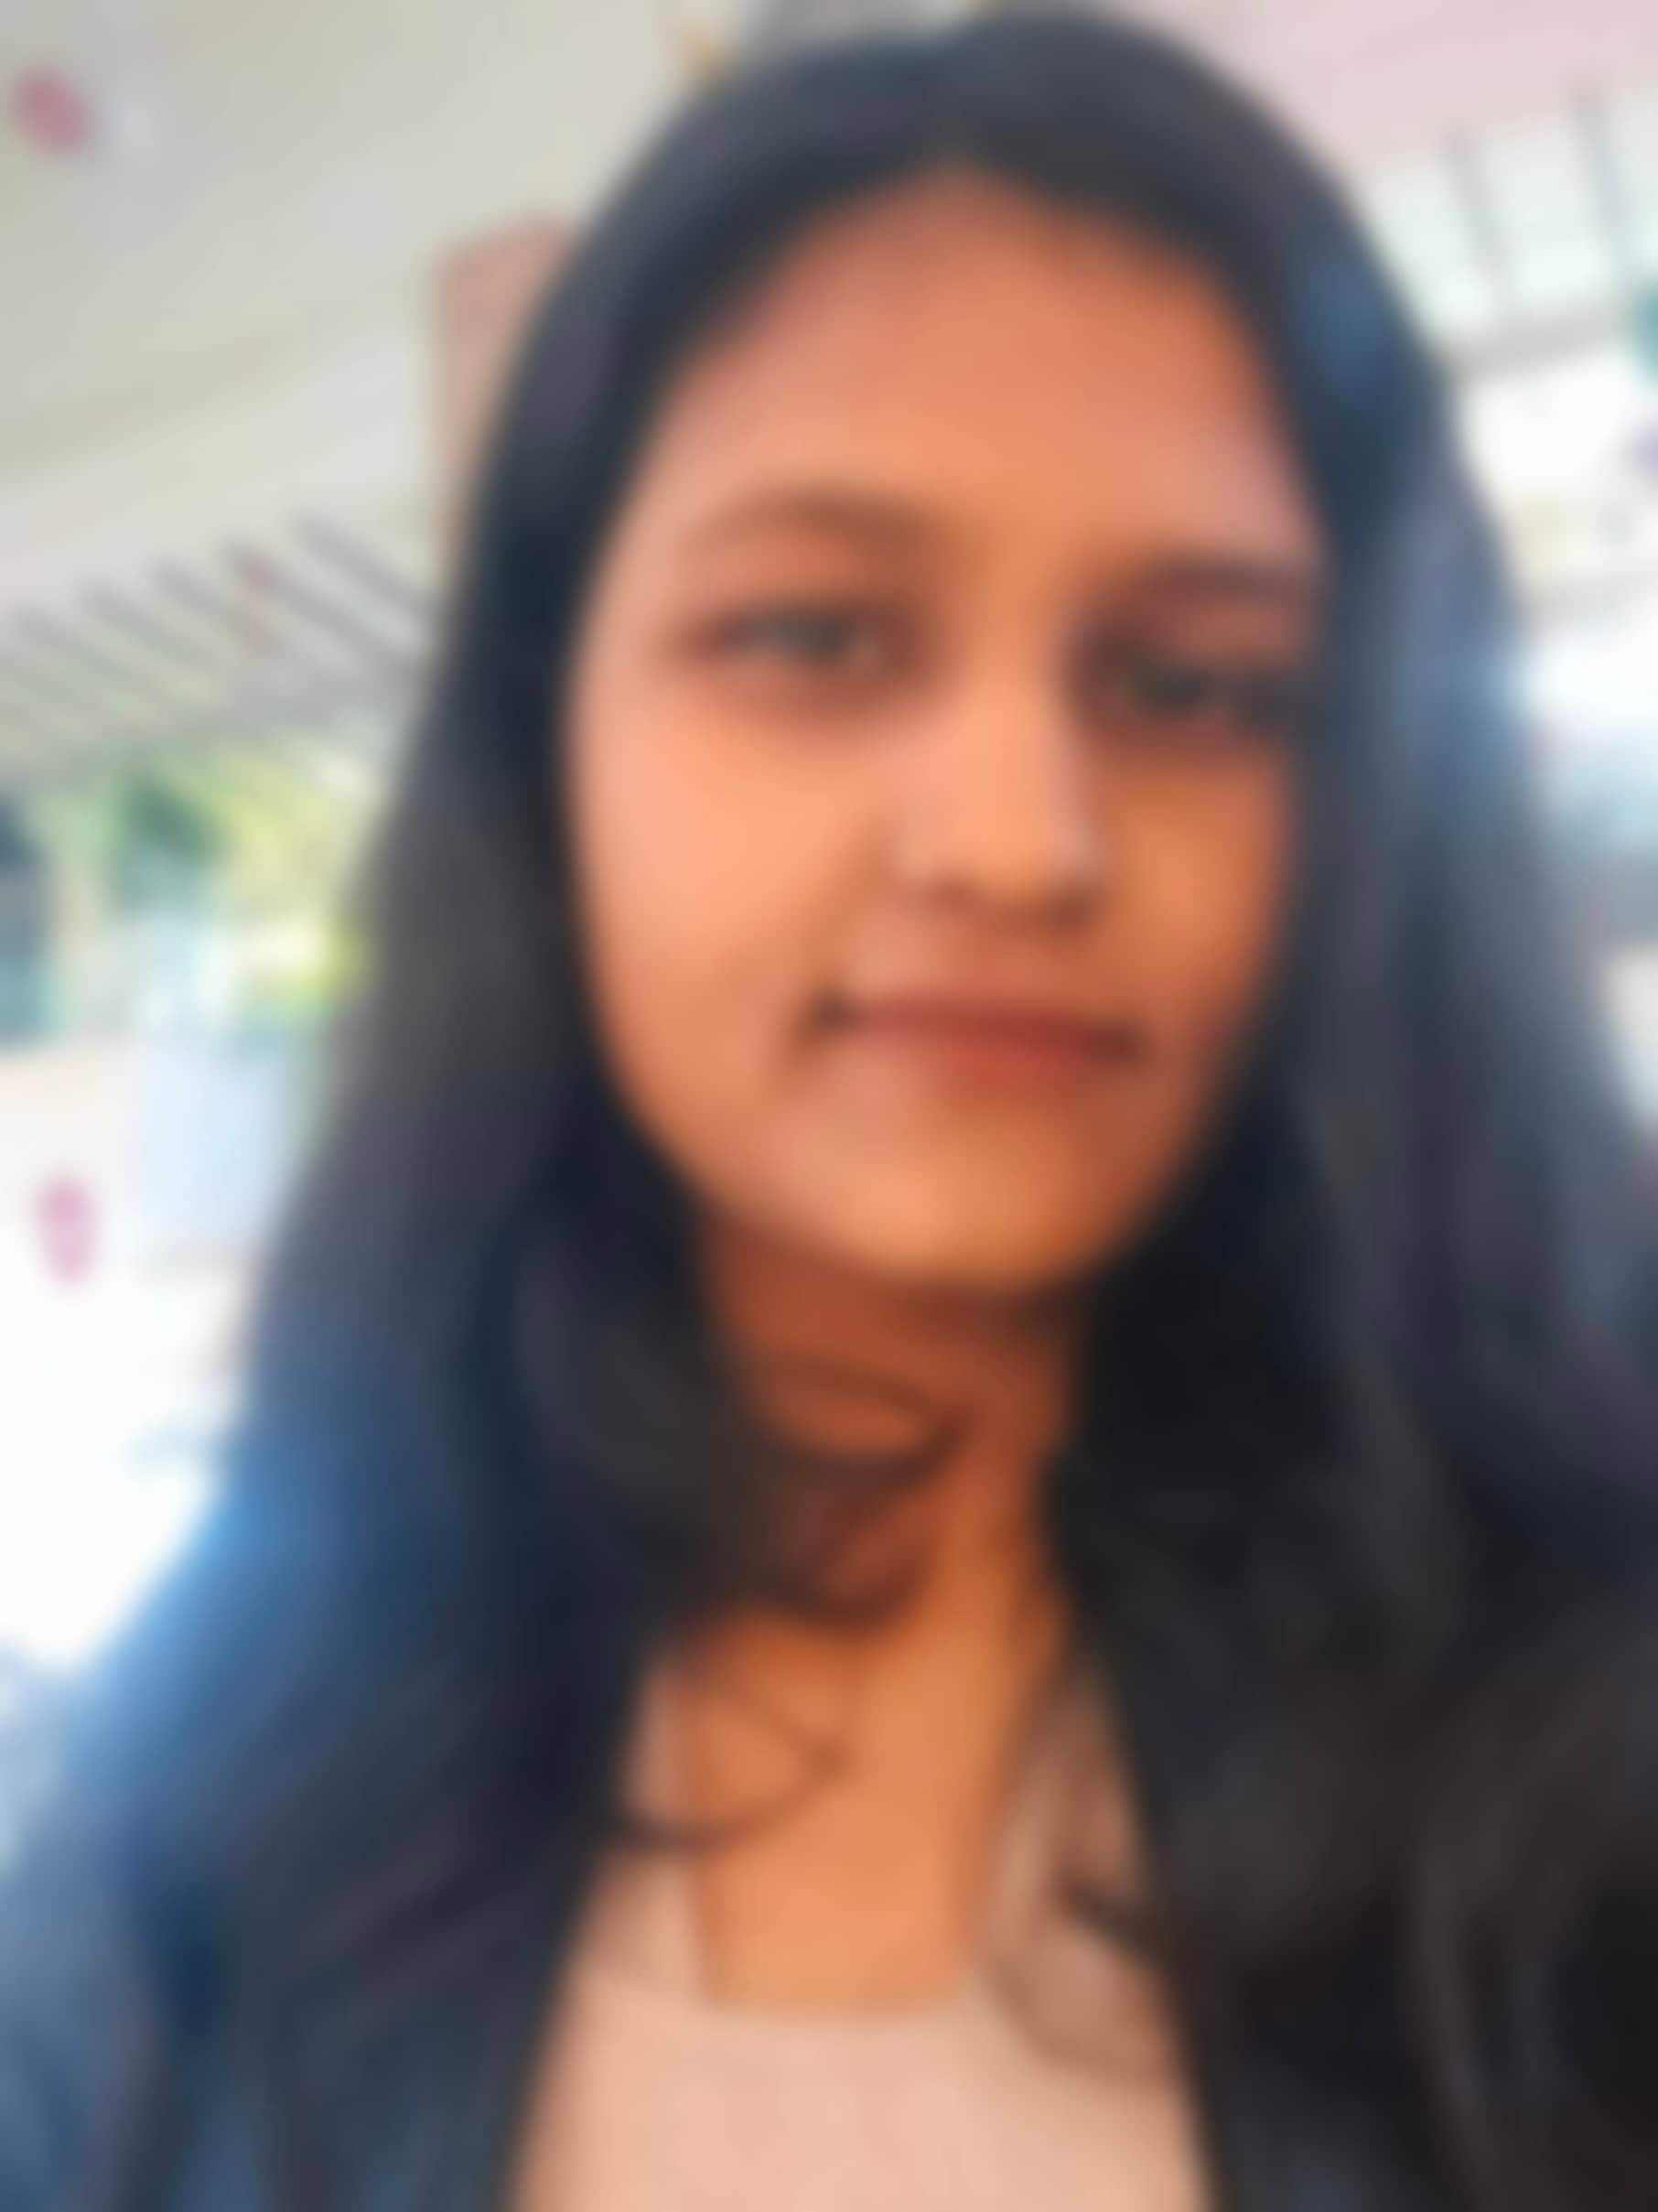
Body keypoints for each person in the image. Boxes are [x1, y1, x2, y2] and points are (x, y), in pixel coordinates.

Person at [5, 14, 1657, 2211]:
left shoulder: (1583, 1737)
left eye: (1194, 684)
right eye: (814, 635)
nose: (1015, 842)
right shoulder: (195, 1804)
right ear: (547, 750)